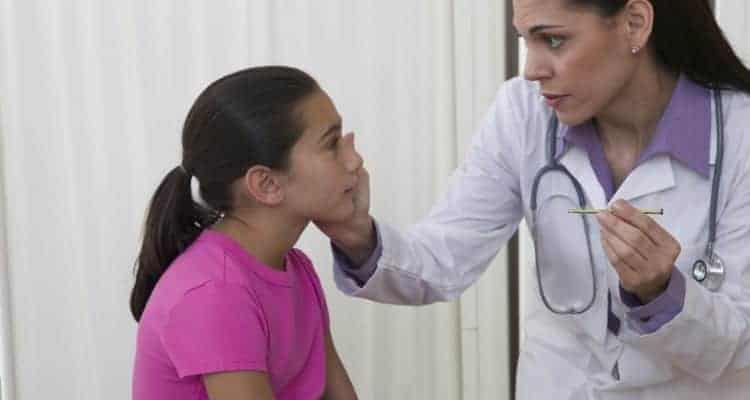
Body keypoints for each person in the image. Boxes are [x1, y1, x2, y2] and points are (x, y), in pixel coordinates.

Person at [315, 0, 750, 398]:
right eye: (525, 40)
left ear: (634, 24)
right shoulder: (523, 113)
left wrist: (663, 292)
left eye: (553, 40)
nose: (531, 69)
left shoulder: (740, 134)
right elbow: (443, 257)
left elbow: (740, 345)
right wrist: (357, 236)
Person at [130, 66, 360, 400]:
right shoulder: (215, 292)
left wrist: (356, 228)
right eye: (332, 144)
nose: (355, 160)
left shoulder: (297, 269)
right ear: (266, 184)